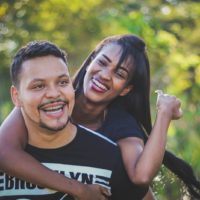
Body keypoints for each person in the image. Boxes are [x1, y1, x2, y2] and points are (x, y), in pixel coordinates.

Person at [0, 34, 199, 199]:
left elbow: (141, 176)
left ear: (126, 89)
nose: (104, 75)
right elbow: (3, 152)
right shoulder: (45, 102)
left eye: (119, 74)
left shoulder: (120, 125)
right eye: (102, 63)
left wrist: (164, 113)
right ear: (90, 62)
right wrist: (79, 189)